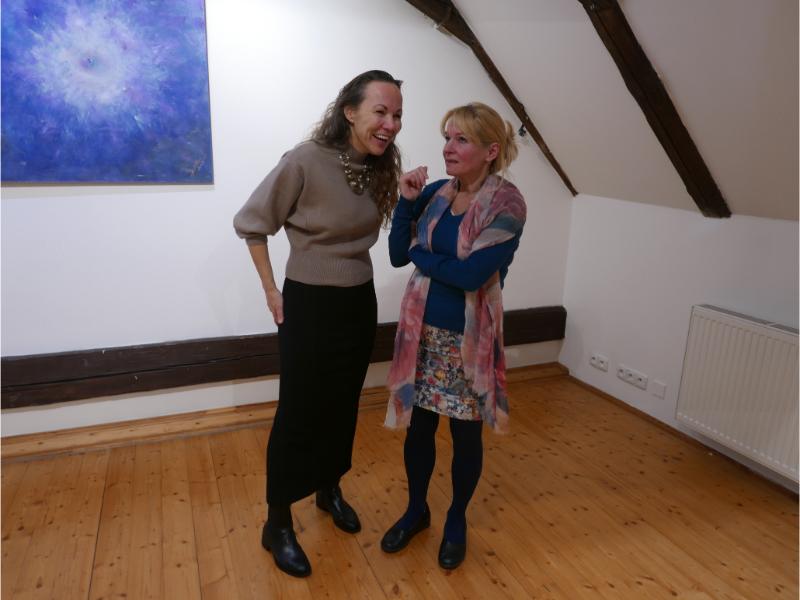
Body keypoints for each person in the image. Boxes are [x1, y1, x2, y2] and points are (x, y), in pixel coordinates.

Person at [233, 70, 403, 578]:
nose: (390, 124)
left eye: (397, 115)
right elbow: (252, 223)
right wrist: (271, 290)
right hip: (309, 302)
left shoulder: (379, 166)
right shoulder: (305, 160)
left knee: (343, 402)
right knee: (299, 410)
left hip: (359, 301)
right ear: (349, 111)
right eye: (380, 112)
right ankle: (277, 522)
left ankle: (329, 488)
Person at [381, 102, 526, 570]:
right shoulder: (436, 194)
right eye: (447, 137)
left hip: (468, 339)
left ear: (491, 150)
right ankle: (416, 510)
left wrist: (422, 254)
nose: (448, 147)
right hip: (421, 334)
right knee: (420, 429)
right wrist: (406, 201)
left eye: (461, 139)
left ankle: (457, 518)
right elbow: (398, 254)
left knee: (465, 436)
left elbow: (471, 276)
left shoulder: (507, 204)